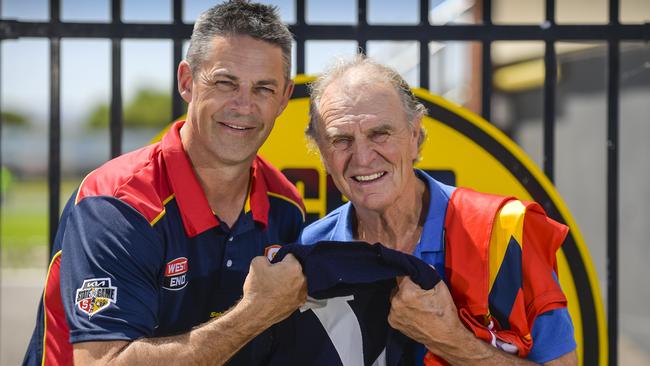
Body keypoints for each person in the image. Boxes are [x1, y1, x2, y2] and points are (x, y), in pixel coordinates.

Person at [23, 1, 307, 365]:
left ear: (284, 98)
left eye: (264, 89)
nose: (244, 105)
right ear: (187, 82)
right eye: (225, 82)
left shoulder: (286, 203)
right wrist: (255, 313)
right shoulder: (117, 204)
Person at [300, 55, 578, 365]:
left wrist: (448, 340)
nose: (363, 158)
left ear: (415, 136)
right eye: (341, 140)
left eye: (380, 133)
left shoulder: (504, 234)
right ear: (322, 154)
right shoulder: (314, 248)